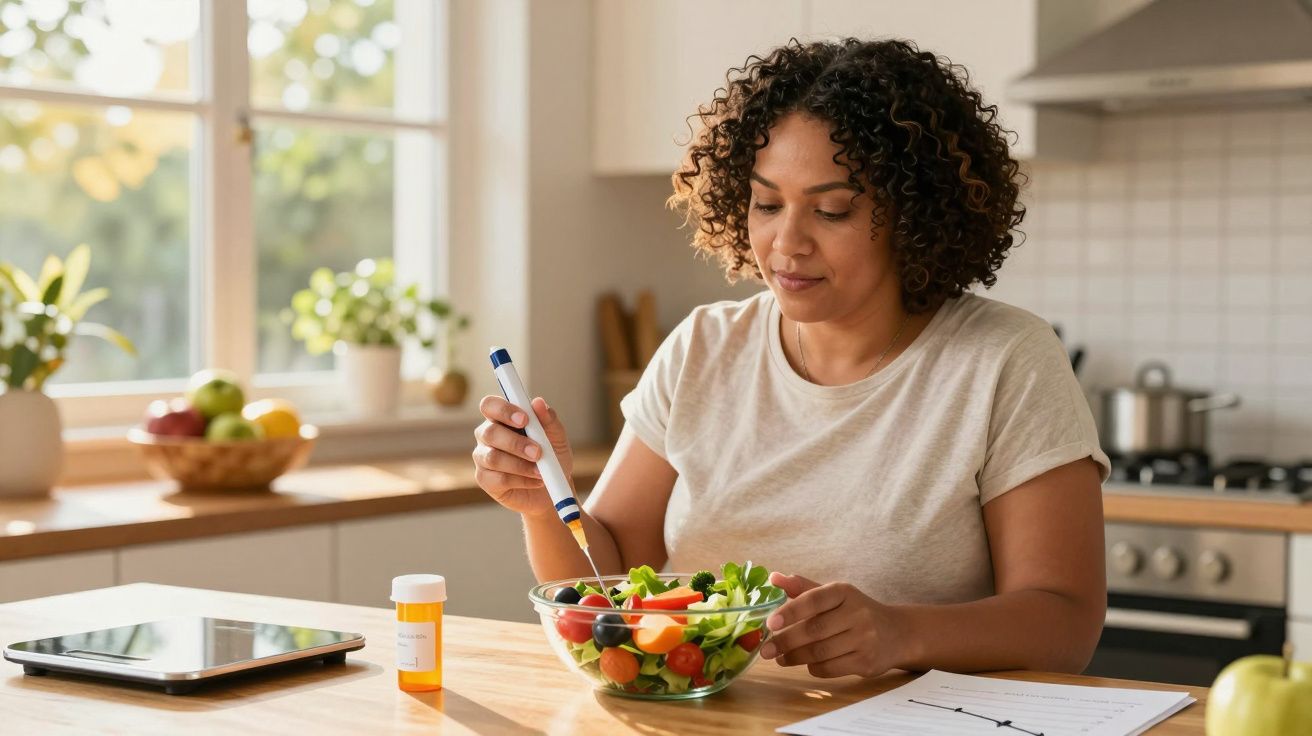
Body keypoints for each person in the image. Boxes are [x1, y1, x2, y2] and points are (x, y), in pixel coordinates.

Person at [472, 38, 1109, 679]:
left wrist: (898, 632)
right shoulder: (703, 348)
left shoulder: (1004, 361)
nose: (787, 243)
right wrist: (540, 499)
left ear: (914, 215)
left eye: (832, 210)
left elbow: (1064, 624)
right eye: (767, 204)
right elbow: (603, 591)